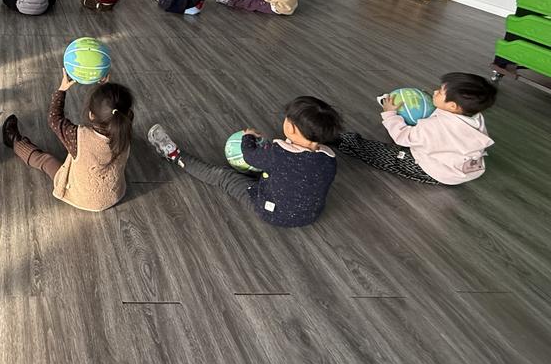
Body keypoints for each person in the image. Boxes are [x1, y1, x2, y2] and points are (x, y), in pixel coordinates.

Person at [179, 96, 343, 228]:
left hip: (272, 212)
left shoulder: (278, 154)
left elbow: (249, 156)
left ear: (291, 128)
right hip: (310, 215)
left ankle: (177, 156)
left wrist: (248, 137)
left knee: (224, 177)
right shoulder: (329, 159)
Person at [1, 71, 134, 212]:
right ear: (127, 114)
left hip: (82, 197)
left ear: (91, 115)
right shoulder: (126, 127)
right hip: (113, 194)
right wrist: (106, 89)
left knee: (45, 160)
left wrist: (62, 90)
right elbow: (115, 110)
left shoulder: (77, 136)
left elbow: (54, 119)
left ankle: (14, 141)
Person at [336, 73, 496, 185]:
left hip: (438, 172)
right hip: (468, 169)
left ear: (452, 106)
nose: (435, 92)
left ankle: (343, 141)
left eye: (440, 93)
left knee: (382, 153)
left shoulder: (434, 126)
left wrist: (390, 114)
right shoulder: (476, 116)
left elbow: (403, 137)